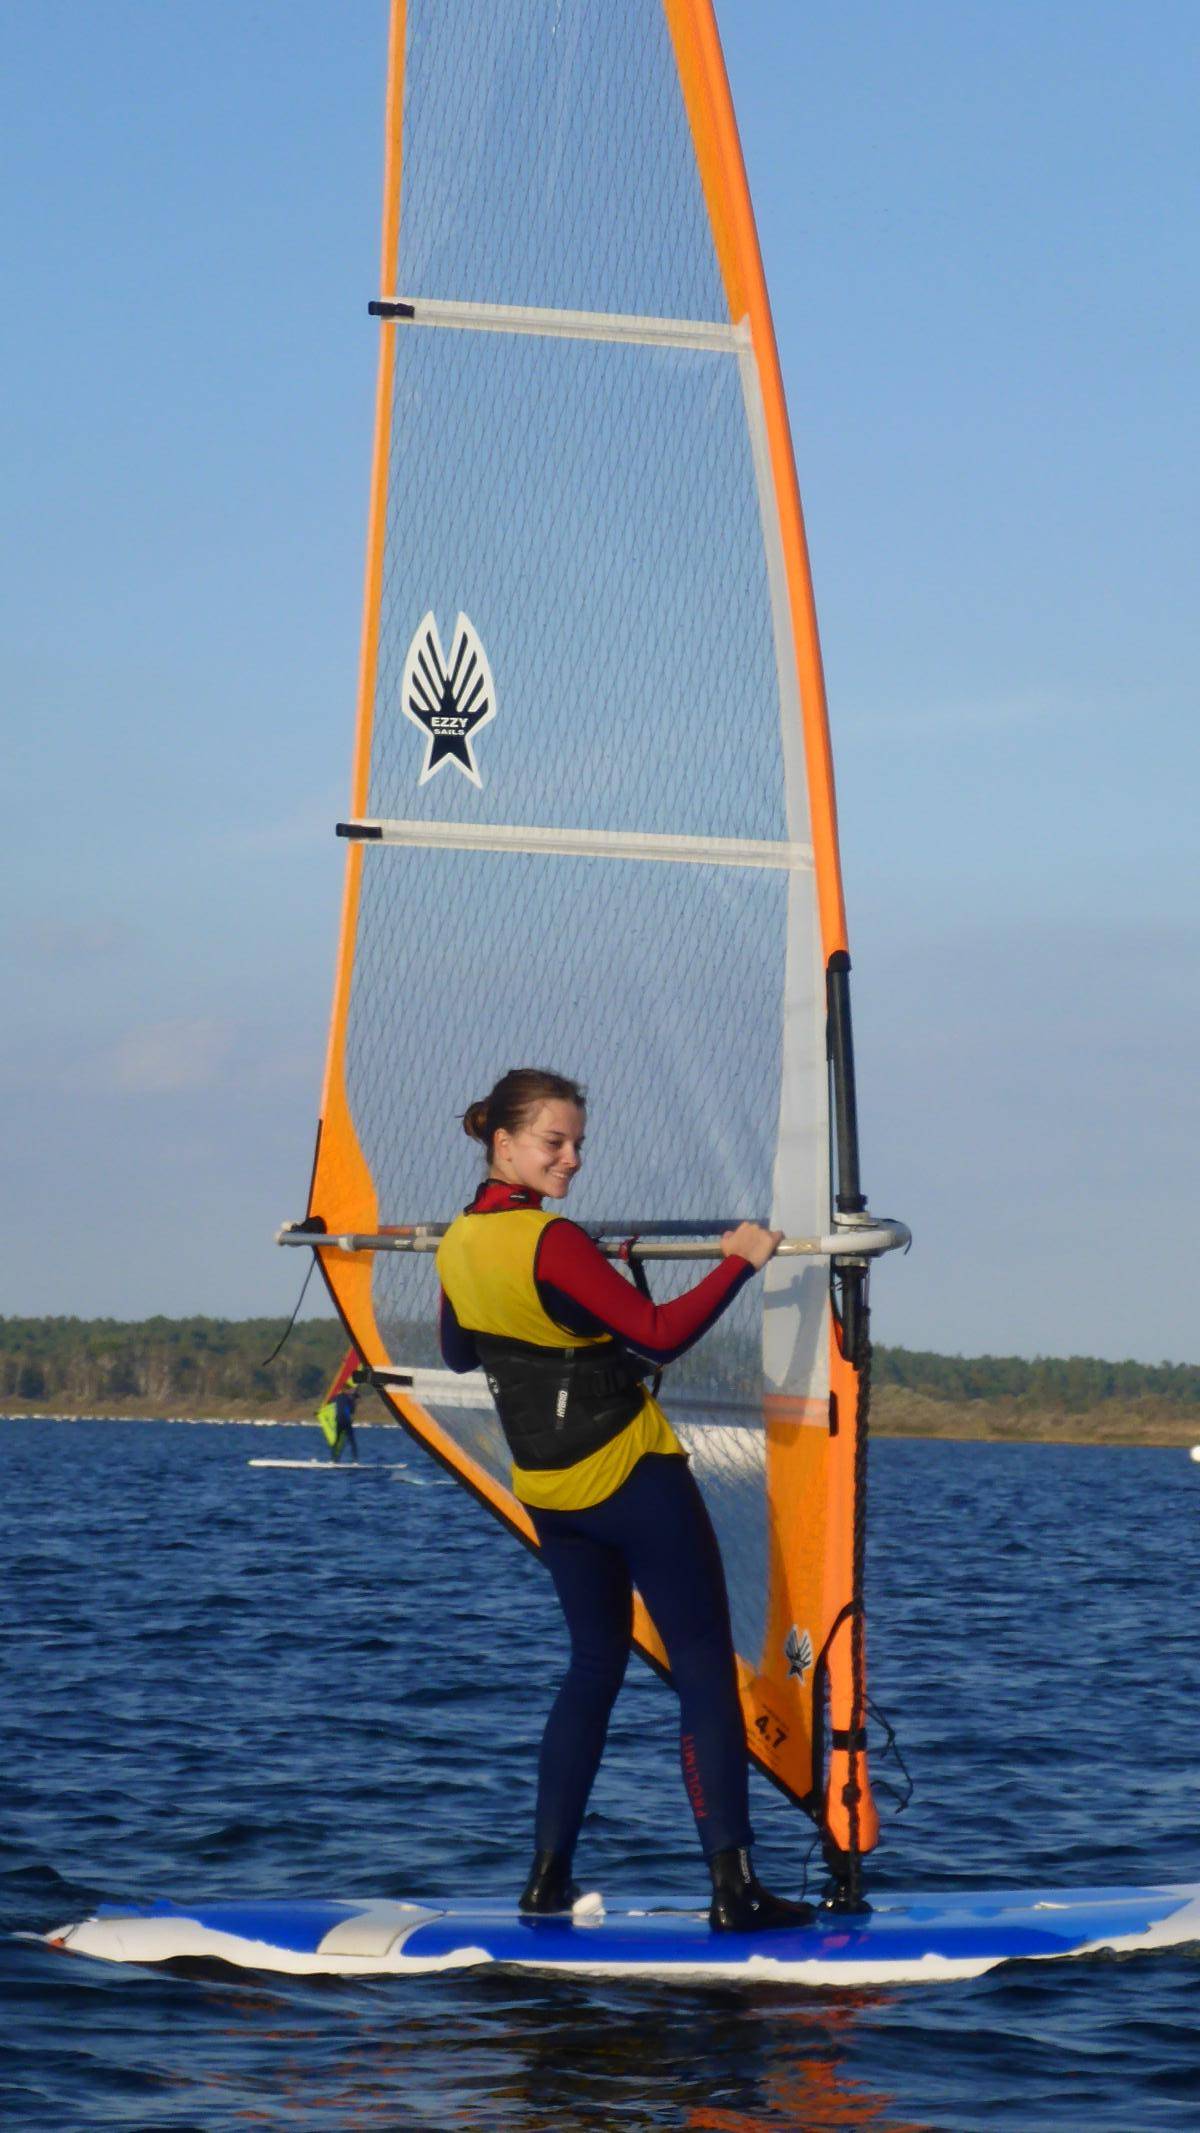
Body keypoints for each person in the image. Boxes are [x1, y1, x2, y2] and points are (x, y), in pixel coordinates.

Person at [436, 1066, 815, 1933]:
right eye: (554, 1141)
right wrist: (739, 1260)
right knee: (703, 1668)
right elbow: (658, 1332)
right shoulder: (553, 1238)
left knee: (593, 1666)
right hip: (632, 1475)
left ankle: (546, 1879)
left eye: (578, 1143)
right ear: (504, 1143)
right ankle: (735, 1888)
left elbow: (461, 1351)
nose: (571, 1158)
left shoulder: (458, 1241)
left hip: (549, 1491)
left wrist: (568, 1302)